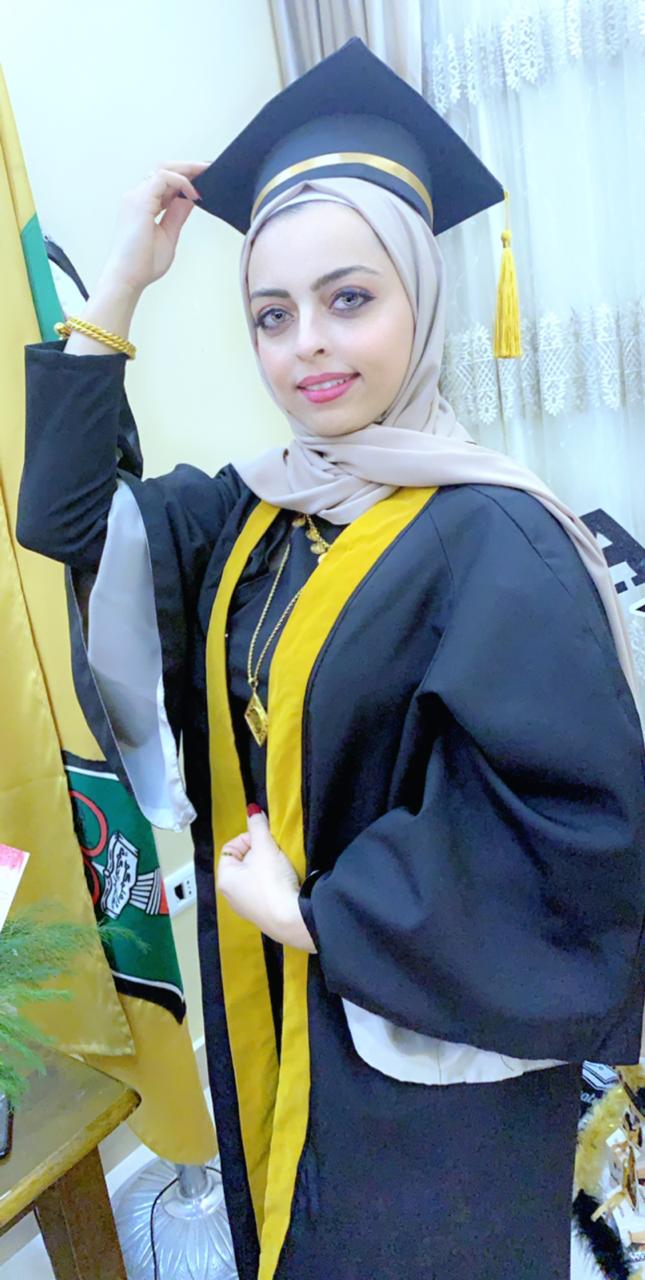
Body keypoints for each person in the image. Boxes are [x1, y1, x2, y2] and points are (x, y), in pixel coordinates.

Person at [17, 37, 645, 1280]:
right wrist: (124, 283)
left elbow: (578, 840)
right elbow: (65, 517)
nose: (308, 343)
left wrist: (317, 912)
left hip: (432, 1051)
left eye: (351, 298)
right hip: (274, 999)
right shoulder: (255, 509)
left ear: (423, 295)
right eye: (272, 313)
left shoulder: (498, 538)